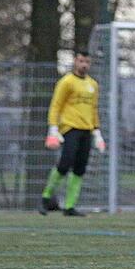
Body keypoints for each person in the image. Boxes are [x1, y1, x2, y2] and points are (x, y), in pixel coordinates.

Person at [38, 50, 106, 217]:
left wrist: (97, 132)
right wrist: (53, 128)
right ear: (75, 61)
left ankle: (69, 206)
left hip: (87, 130)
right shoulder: (66, 82)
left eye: (87, 62)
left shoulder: (93, 85)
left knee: (80, 168)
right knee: (64, 163)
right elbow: (56, 105)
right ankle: (46, 198)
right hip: (69, 128)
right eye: (81, 61)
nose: (84, 65)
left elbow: (93, 109)